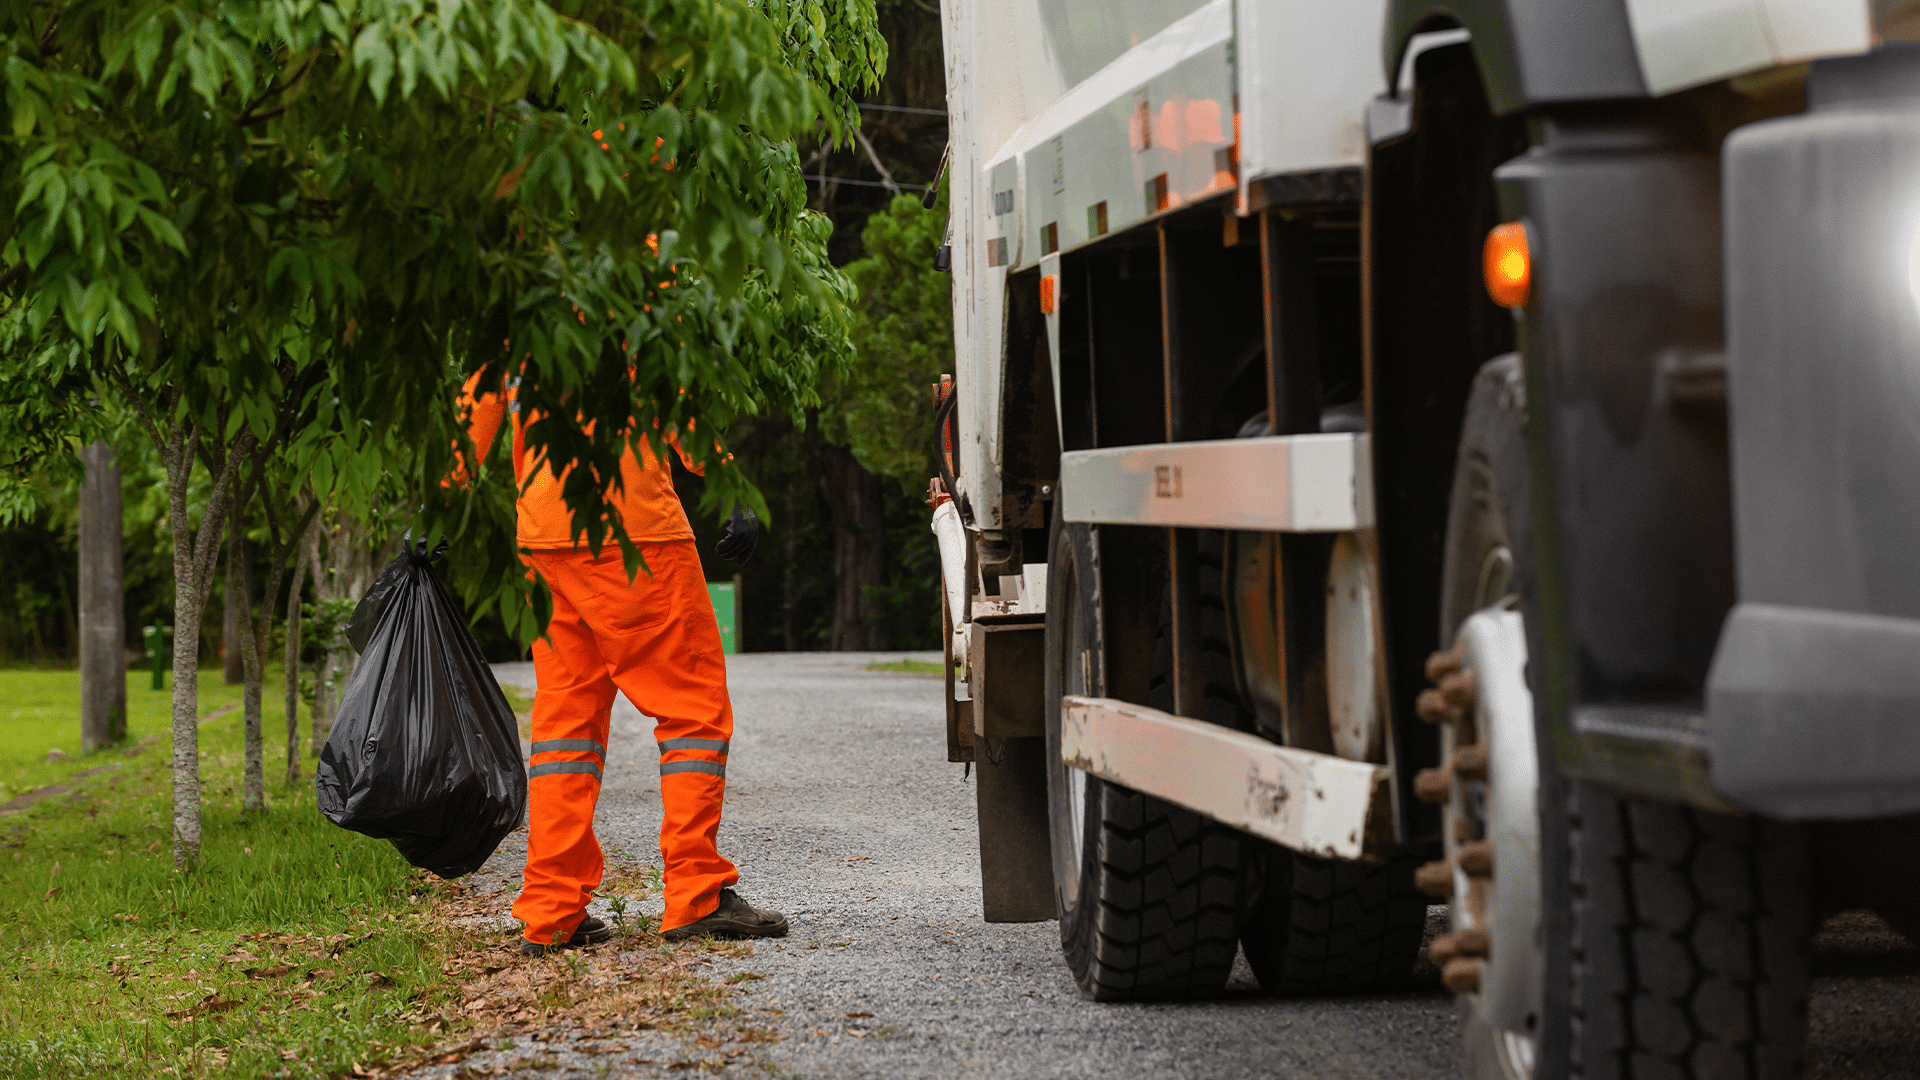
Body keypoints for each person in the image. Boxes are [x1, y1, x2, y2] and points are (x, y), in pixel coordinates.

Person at [456, 371, 788, 955]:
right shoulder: (635, 285)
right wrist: (726, 479)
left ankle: (552, 911)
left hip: (546, 541)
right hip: (636, 535)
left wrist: (438, 506)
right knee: (693, 715)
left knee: (565, 730)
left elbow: (471, 417)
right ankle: (696, 894)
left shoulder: (511, 307)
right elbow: (675, 385)